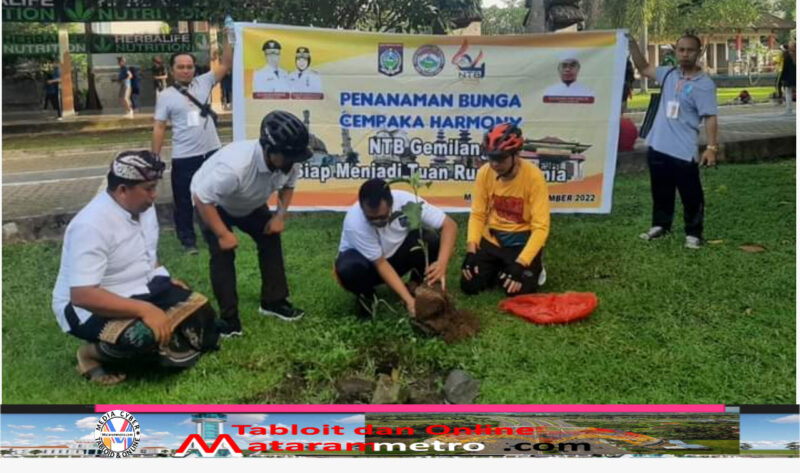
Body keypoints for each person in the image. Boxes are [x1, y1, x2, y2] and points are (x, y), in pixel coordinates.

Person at [51, 150, 220, 386]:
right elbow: (82, 295)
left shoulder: (143, 208)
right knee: (141, 337)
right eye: (148, 188)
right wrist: (145, 310)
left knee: (202, 311)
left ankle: (162, 348)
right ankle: (89, 355)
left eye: (154, 187)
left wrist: (164, 279)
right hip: (88, 308)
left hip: (139, 287)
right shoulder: (91, 225)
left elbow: (148, 254)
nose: (154, 195)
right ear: (122, 190)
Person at [190, 111, 313, 337]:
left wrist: (279, 217)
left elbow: (288, 187)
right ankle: (229, 320)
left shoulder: (289, 161)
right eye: (288, 157)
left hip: (248, 202)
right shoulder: (235, 167)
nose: (292, 163)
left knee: (270, 237)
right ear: (269, 149)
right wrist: (222, 233)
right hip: (213, 203)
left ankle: (273, 302)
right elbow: (202, 198)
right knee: (222, 252)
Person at [628, 32, 719, 250]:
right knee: (660, 190)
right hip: (658, 144)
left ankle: (694, 233)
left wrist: (711, 147)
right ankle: (660, 225)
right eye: (681, 49)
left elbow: (710, 117)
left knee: (691, 194)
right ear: (675, 52)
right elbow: (644, 68)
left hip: (683, 148)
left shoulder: (704, 84)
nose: (685, 54)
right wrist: (632, 44)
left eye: (690, 50)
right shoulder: (668, 73)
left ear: (698, 53)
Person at [152, 33, 233, 254]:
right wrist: (155, 157)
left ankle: (219, 233)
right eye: (181, 67)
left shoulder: (204, 82)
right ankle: (188, 241)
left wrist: (229, 36)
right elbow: (159, 127)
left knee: (215, 195)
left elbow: (226, 64)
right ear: (172, 70)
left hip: (212, 153)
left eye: (189, 66)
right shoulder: (166, 96)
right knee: (185, 202)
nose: (186, 70)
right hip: (184, 157)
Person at [335, 179, 458, 319]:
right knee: (349, 268)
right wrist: (409, 301)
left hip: (394, 256)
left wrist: (442, 263)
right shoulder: (354, 222)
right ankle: (366, 297)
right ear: (362, 208)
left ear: (391, 204)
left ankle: (416, 284)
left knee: (429, 239)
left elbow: (450, 225)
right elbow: (380, 263)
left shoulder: (408, 202)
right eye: (371, 218)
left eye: (382, 217)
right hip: (369, 267)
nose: (377, 222)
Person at [460, 123, 550, 297]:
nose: (494, 164)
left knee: (519, 291)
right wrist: (471, 251)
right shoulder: (484, 173)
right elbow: (478, 214)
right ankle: (502, 267)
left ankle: (532, 266)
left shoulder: (534, 177)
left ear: (516, 155)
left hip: (521, 241)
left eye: (500, 158)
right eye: (491, 157)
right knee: (469, 285)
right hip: (493, 239)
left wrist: (520, 264)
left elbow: (541, 227)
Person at [778, 42, 796, 115]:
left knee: (788, 93)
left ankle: (789, 109)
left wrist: (782, 78)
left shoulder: (787, 56)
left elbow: (785, 69)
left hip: (789, 77)